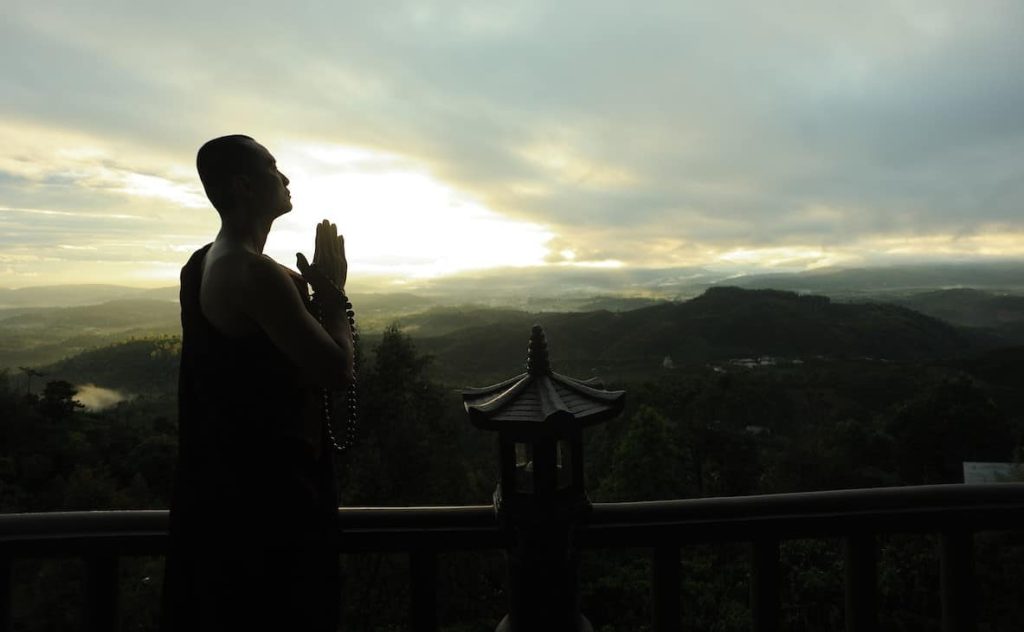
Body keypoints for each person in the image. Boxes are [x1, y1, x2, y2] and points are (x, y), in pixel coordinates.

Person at [160, 135, 355, 631]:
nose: (285, 178)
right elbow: (335, 371)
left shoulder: (203, 262)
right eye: (273, 167)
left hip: (219, 502)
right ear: (245, 185)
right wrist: (333, 298)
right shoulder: (254, 273)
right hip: (269, 512)